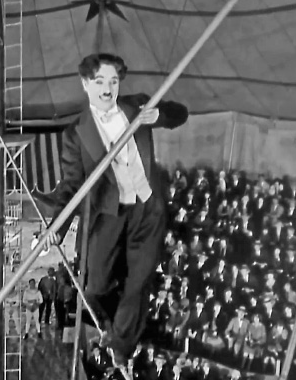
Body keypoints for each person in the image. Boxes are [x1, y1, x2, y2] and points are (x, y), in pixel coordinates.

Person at [44, 53, 188, 368]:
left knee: (140, 280)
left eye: (113, 81)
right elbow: (70, 186)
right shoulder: (74, 133)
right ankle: (115, 328)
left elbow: (181, 114)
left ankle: (121, 345)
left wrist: (159, 115)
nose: (108, 88)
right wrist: (56, 227)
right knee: (94, 287)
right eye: (99, 82)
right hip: (108, 213)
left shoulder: (137, 106)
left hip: (147, 209)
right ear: (85, 84)